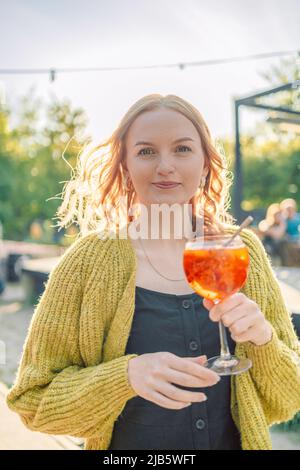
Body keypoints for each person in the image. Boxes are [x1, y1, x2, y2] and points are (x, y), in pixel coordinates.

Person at [5, 94, 300, 451]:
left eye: (182, 149)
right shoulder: (87, 261)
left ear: (205, 163)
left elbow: (288, 399)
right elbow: (33, 403)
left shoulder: (240, 250)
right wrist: (125, 376)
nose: (165, 166)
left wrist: (264, 338)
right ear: (125, 165)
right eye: (146, 151)